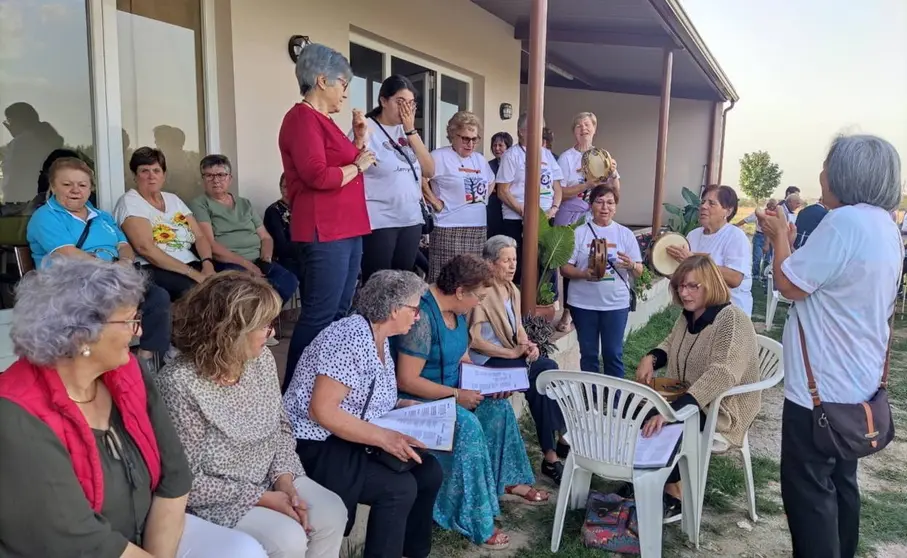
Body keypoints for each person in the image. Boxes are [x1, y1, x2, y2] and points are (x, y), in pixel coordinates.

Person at [0, 257, 265, 557]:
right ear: (80, 334)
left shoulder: (127, 373)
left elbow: (175, 475)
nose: (139, 331)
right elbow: (78, 538)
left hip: (146, 534)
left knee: (243, 551)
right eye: (129, 321)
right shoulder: (15, 414)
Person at [756, 134, 902, 558]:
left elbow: (788, 284)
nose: (821, 173)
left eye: (826, 164)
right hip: (857, 384)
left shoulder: (844, 223)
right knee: (841, 484)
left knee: (809, 494)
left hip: (819, 390)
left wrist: (781, 233)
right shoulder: (884, 226)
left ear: (843, 174)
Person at [157, 272, 346, 557]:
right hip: (217, 499)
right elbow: (186, 481)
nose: (271, 334)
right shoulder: (180, 383)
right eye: (264, 326)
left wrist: (284, 478)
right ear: (230, 331)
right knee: (287, 538)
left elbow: (281, 426)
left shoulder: (260, 360)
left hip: (269, 477)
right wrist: (262, 498)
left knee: (331, 512)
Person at [394, 254, 549, 550]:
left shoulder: (458, 310)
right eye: (477, 296)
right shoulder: (423, 317)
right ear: (460, 291)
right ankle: (475, 518)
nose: (479, 303)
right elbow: (407, 380)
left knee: (499, 408)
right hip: (418, 402)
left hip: (452, 391)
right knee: (468, 427)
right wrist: (456, 395)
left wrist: (487, 383)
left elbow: (462, 357)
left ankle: (504, 481)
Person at [284, 269, 441, 558]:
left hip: (350, 435)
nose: (418, 317)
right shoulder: (349, 338)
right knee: (398, 488)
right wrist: (384, 437)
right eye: (415, 309)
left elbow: (365, 400)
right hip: (317, 442)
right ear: (394, 310)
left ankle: (412, 552)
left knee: (429, 471)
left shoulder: (379, 337)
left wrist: (402, 407)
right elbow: (322, 410)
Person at [277, 43, 376, 391]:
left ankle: (324, 389)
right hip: (324, 230)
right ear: (322, 80)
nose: (345, 94)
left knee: (338, 314)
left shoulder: (325, 122)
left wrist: (359, 141)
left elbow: (347, 165)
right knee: (319, 315)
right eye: (343, 84)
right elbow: (318, 175)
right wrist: (358, 163)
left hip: (347, 229)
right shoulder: (301, 118)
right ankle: (296, 392)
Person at [635, 255, 761, 517]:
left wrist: (673, 411)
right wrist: (652, 357)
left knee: (667, 425)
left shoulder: (731, 320)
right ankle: (643, 480)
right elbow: (670, 343)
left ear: (711, 284)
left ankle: (673, 493)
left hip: (723, 409)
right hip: (688, 395)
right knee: (640, 414)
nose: (685, 292)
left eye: (693, 286)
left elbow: (722, 374)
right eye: (681, 286)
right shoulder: (689, 315)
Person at [26, 157, 171, 365]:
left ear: (90, 188)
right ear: (53, 186)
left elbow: (124, 246)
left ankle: (144, 361)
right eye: (67, 184)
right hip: (71, 284)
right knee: (115, 306)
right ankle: (105, 362)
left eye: (82, 185)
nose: (75, 190)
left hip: (112, 279)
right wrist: (109, 269)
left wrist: (125, 262)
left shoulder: (101, 216)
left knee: (158, 296)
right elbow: (67, 253)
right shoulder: (46, 216)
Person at [469, 235, 568, 483]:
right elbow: (475, 341)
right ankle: (553, 449)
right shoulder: (481, 292)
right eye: (506, 261)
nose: (513, 265)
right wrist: (512, 353)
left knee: (546, 372)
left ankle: (552, 450)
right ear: (491, 264)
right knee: (542, 375)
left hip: (509, 355)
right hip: (485, 363)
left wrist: (528, 346)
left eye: (514, 259)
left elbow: (518, 329)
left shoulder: (512, 289)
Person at [189, 154, 299, 303]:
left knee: (288, 281)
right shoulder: (200, 204)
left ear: (230, 178)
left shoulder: (244, 204)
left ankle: (263, 319)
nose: (215, 180)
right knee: (249, 289)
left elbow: (266, 237)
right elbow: (211, 245)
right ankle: (257, 321)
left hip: (258, 260)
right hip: (228, 263)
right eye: (209, 175)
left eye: (221, 175)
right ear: (203, 179)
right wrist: (247, 265)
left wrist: (265, 260)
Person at [358, 75, 435, 282]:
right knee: (378, 282)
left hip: (410, 218)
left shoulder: (407, 132)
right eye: (400, 102)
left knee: (402, 283)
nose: (406, 109)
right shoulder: (367, 129)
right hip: (380, 219)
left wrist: (411, 131)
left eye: (411, 104)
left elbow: (429, 170)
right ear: (383, 101)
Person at [560, 184, 642, 378]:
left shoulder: (625, 234)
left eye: (610, 203)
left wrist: (631, 265)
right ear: (591, 205)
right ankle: (591, 401)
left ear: (615, 207)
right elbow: (564, 268)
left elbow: (639, 270)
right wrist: (583, 274)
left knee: (613, 353)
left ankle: (615, 402)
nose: (605, 207)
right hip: (583, 304)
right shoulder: (579, 233)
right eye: (600, 202)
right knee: (588, 355)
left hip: (615, 304)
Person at [114, 147, 217, 301]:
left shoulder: (173, 199)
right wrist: (194, 274)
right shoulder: (130, 202)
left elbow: (200, 236)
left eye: (156, 170)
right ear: (135, 176)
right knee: (199, 295)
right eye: (144, 171)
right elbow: (146, 249)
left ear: (164, 175)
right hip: (155, 268)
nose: (151, 176)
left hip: (191, 263)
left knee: (230, 287)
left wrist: (207, 264)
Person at [554, 112, 619, 332]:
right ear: (574, 131)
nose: (584, 128)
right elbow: (559, 191)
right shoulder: (566, 157)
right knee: (568, 261)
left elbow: (615, 192)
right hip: (569, 213)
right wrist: (587, 185)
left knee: (591, 258)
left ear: (594, 129)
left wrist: (614, 173)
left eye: (588, 125)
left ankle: (587, 307)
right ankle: (566, 312)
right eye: (579, 125)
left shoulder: (603, 156)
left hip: (593, 215)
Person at [423, 111, 495, 282]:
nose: (470, 144)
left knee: (471, 281)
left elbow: (491, 181)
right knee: (446, 280)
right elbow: (420, 179)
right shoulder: (439, 156)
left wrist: (482, 199)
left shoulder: (479, 159)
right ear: (453, 135)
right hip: (448, 228)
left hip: (477, 228)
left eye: (474, 139)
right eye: (465, 138)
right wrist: (435, 202)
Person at [495, 113, 564, 284]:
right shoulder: (512, 155)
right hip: (516, 220)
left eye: (540, 130)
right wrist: (524, 212)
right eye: (533, 130)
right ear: (521, 131)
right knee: (519, 265)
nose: (538, 134)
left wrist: (554, 209)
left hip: (546, 217)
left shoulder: (547, 155)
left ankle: (542, 301)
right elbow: (502, 191)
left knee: (544, 263)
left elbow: (557, 187)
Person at [667, 184, 753, 317]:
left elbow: (735, 279)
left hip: (728, 314)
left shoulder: (736, 237)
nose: (703, 206)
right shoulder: (693, 235)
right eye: (703, 202)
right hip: (697, 312)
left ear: (727, 211)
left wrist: (692, 260)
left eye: (711, 203)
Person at [1, 101, 63, 203]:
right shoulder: (44, 141)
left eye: (9, 121)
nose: (9, 126)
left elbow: (13, 177)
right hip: (41, 199)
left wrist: (9, 203)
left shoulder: (21, 143)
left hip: (22, 203)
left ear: (19, 121)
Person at [264, 172, 304, 287]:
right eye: (285, 187)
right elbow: (281, 246)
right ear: (280, 188)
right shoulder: (273, 211)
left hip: (305, 255)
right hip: (285, 259)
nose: (289, 191)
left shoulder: (304, 209)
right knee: (311, 271)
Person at [735, 198, 777, 280]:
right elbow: (746, 220)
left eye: (774, 206)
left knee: (767, 259)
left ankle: (765, 276)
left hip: (770, 238)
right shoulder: (760, 213)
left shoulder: (775, 217)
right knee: (757, 257)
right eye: (771, 205)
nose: (772, 207)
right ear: (768, 205)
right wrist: (736, 225)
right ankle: (755, 276)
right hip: (759, 236)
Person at [486, 131, 513, 239]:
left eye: (500, 145)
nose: (497, 148)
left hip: (510, 207)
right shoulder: (488, 165)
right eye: (494, 145)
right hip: (493, 208)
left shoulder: (513, 164)